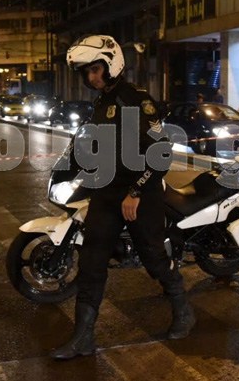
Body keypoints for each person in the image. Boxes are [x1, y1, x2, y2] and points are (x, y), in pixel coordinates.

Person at [51, 34, 196, 360]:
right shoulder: (101, 104)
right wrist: (67, 167)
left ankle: (183, 311)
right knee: (91, 263)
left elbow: (160, 155)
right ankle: (82, 338)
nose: (92, 77)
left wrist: (134, 192)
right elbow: (89, 144)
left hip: (141, 194)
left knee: (154, 258)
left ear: (111, 63)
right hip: (106, 193)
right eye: (86, 72)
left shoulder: (136, 100)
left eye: (96, 69)